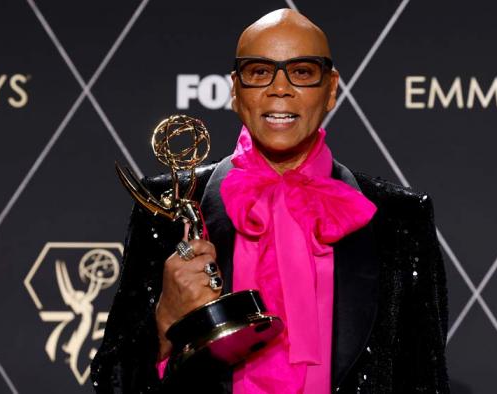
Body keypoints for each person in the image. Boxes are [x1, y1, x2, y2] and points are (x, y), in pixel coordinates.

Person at [91, 8, 449, 394]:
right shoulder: (169, 209)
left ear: (331, 89)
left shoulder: (400, 219)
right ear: (234, 89)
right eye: (260, 71)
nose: (280, 88)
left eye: (302, 72)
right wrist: (165, 322)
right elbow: (113, 382)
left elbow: (424, 382)